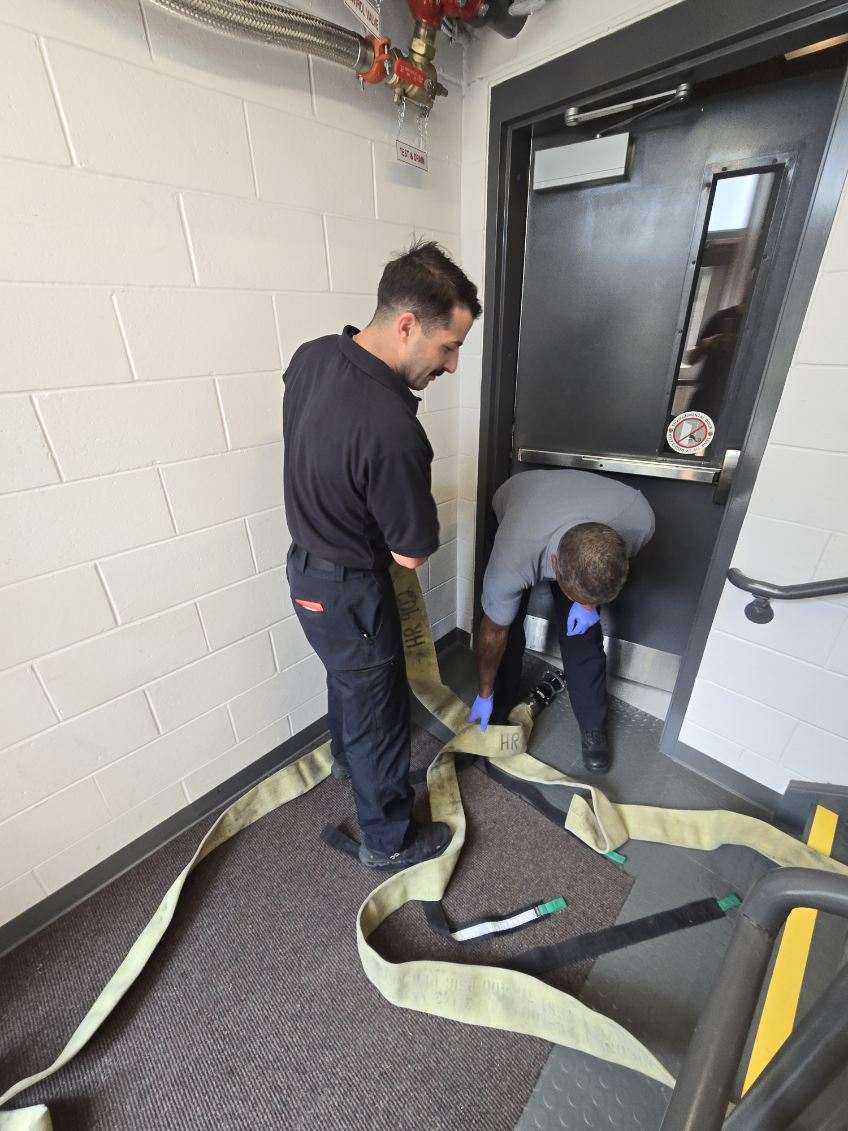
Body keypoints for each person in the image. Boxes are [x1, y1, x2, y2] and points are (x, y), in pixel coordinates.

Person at [283, 242, 481, 868]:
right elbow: (412, 554)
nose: (450, 366)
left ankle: (347, 765)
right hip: (351, 589)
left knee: (349, 682)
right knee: (381, 712)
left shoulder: (311, 357)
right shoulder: (394, 429)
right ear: (405, 326)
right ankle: (388, 840)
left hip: (306, 572)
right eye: (448, 347)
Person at [469, 469, 655, 773]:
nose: (585, 603)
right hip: (523, 502)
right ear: (553, 566)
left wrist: (588, 606)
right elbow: (493, 632)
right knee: (507, 625)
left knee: (584, 637)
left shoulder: (638, 520)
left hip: (587, 519)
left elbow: (608, 575)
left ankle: (592, 726)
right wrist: (484, 692)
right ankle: (498, 705)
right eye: (579, 596)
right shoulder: (513, 558)